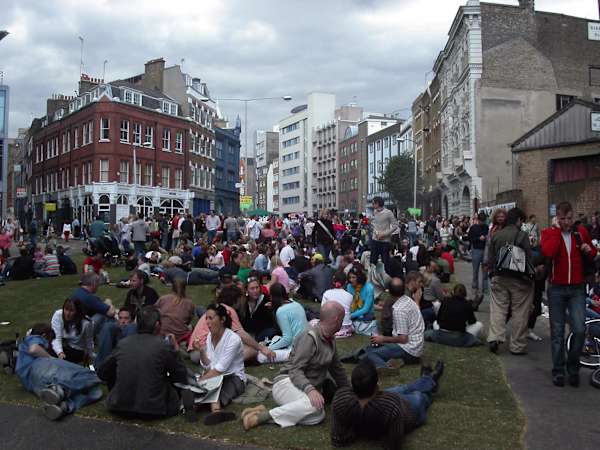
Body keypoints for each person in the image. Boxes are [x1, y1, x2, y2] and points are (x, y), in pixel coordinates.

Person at [242, 302, 349, 430]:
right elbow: (295, 371)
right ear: (336, 319)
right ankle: (260, 418)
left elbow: (337, 369)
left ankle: (264, 412)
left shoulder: (330, 339)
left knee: (318, 416)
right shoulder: (309, 337)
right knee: (314, 407)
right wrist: (310, 390)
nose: (343, 322)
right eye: (342, 318)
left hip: (301, 387)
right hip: (287, 382)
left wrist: (351, 392)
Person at [541, 201, 597, 387]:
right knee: (557, 332)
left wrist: (590, 250)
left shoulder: (580, 233)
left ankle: (573, 368)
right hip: (556, 287)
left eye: (569, 218)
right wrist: (557, 232)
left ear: (574, 217)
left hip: (577, 288)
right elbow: (548, 252)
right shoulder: (549, 233)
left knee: (580, 329)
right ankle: (558, 370)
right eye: (563, 218)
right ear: (557, 217)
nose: (567, 222)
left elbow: (592, 252)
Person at [331, 358, 444, 449]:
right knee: (419, 396)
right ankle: (431, 381)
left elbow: (338, 439)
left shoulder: (341, 397)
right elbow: (393, 444)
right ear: (376, 386)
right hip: (406, 411)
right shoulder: (390, 405)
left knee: (402, 388)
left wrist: (355, 430)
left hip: (380, 400)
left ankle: (426, 379)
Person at [97, 307, 188, 419]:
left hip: (120, 406)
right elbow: (181, 375)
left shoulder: (123, 344)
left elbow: (102, 372)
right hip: (154, 409)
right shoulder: (163, 346)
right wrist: (176, 350)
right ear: (157, 325)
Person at [15, 323, 103, 420]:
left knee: (96, 392)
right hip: (39, 368)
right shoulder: (32, 338)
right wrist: (50, 358)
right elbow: (34, 349)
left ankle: (63, 405)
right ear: (44, 336)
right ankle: (63, 390)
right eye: (49, 341)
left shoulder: (22, 350)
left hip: (35, 384)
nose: (49, 346)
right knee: (83, 374)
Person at [486, 207, 534, 356]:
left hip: (499, 277)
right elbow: (528, 258)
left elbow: (491, 259)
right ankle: (517, 345)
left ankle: (495, 337)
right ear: (518, 220)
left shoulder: (496, 235)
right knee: (520, 311)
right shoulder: (522, 235)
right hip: (519, 279)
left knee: (498, 309)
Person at [195, 303, 246, 425]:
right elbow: (208, 365)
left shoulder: (233, 339)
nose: (207, 322)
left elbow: (220, 369)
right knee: (209, 382)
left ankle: (214, 410)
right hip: (215, 376)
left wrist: (198, 383)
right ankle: (208, 408)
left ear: (222, 320)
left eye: (211, 318)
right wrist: (202, 351)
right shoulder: (209, 336)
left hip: (234, 378)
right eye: (206, 318)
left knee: (212, 386)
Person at [364, 273, 425, 370]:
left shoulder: (399, 310)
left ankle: (385, 368)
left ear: (389, 292)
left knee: (369, 354)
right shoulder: (408, 300)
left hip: (409, 350)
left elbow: (403, 339)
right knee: (368, 349)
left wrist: (383, 339)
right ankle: (395, 360)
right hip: (415, 346)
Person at [50, 298, 94, 364]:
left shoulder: (86, 323)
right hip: (61, 346)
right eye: (66, 309)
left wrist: (90, 354)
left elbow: (89, 340)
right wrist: (60, 352)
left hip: (76, 349)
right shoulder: (58, 315)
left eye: (71, 311)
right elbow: (56, 337)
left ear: (77, 311)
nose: (67, 313)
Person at [268, 283, 308, 351]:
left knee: (261, 356)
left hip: (296, 349)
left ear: (272, 297)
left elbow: (287, 339)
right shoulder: (296, 304)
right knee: (275, 338)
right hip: (307, 342)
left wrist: (268, 349)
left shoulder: (281, 311)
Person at [370, 197, 399, 274]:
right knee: (373, 260)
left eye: (373, 203)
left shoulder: (388, 213)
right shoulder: (375, 212)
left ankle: (386, 277)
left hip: (385, 240)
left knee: (385, 261)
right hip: (375, 238)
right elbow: (373, 224)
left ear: (378, 203)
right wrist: (376, 233)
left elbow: (395, 225)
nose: (372, 205)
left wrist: (384, 234)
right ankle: (372, 276)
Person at [322, 272, 354, 338]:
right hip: (346, 327)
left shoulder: (327, 293)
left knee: (313, 322)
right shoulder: (350, 296)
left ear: (333, 281)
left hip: (330, 327)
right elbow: (351, 312)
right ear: (345, 282)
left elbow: (323, 311)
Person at [346, 267, 377, 336]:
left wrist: (351, 316)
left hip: (366, 314)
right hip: (353, 312)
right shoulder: (349, 286)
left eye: (353, 277)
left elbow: (366, 309)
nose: (351, 280)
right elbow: (349, 303)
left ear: (359, 278)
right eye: (350, 277)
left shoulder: (369, 288)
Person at [468, 212, 489, 307]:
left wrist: (486, 238)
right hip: (476, 249)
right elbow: (470, 239)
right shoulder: (473, 228)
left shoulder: (486, 227)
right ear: (478, 220)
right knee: (475, 270)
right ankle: (475, 287)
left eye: (483, 221)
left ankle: (484, 287)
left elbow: (488, 237)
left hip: (484, 250)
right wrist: (478, 238)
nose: (482, 223)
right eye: (481, 221)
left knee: (485, 270)